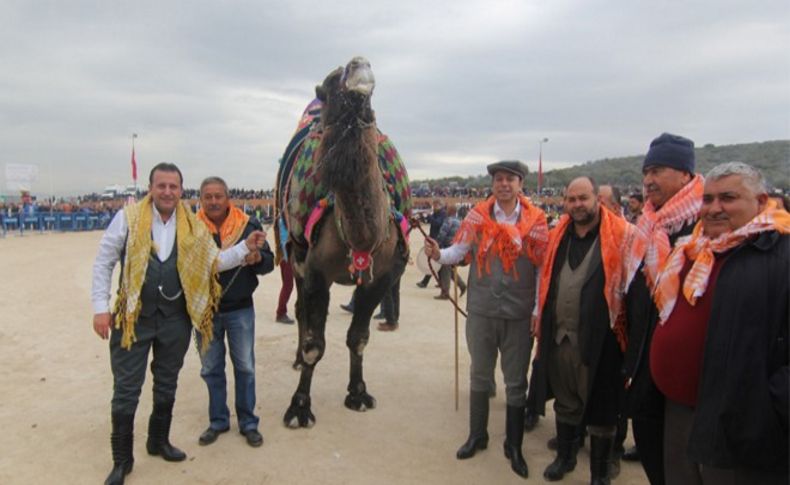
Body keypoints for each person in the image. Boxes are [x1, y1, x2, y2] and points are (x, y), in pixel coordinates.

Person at [91, 163, 266, 485]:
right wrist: (101, 308)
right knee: (127, 389)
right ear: (151, 188)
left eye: (173, 187)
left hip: (175, 319)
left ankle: (158, 441)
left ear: (181, 191)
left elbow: (215, 261)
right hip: (134, 318)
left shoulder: (191, 226)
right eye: (162, 186)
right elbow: (104, 262)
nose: (168, 192)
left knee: (167, 381)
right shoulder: (128, 219)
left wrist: (245, 248)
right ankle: (122, 460)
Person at [650, 162, 788, 484]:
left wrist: (768, 408)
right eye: (707, 199)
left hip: (741, 424)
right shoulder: (690, 250)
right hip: (679, 410)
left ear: (761, 200)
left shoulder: (780, 255)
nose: (713, 209)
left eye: (727, 198)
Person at [424, 161, 548, 479]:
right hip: (481, 310)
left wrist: (537, 310)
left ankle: (515, 445)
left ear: (521, 184)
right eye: (498, 179)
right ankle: (478, 435)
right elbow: (459, 251)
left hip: (518, 314)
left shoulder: (536, 221)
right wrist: (439, 254)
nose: (503, 184)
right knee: (479, 375)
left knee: (516, 382)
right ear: (492, 184)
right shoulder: (476, 216)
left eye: (510, 179)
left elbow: (540, 270)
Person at [531, 176, 640, 484]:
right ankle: (564, 458)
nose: (577, 205)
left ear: (596, 199)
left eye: (583, 198)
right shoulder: (557, 237)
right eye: (572, 199)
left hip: (602, 341)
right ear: (565, 202)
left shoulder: (622, 236)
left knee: (602, 412)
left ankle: (599, 473)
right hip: (559, 337)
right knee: (565, 403)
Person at [623, 132, 704, 485]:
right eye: (646, 172)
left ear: (685, 175)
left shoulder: (706, 228)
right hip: (644, 367)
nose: (648, 180)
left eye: (658, 170)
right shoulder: (646, 226)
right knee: (653, 454)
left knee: (684, 467)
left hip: (690, 378)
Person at [195, 177, 275, 448]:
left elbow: (269, 263)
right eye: (208, 197)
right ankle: (218, 421)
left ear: (228, 197)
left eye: (219, 196)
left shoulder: (248, 225)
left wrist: (257, 259)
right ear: (201, 200)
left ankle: (248, 423)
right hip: (205, 312)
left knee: (245, 368)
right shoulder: (192, 229)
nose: (214, 201)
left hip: (240, 309)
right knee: (211, 369)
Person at [434, 204, 466, 299]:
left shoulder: (448, 221)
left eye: (447, 209)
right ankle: (461, 284)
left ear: (450, 211)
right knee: (450, 271)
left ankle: (445, 293)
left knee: (445, 271)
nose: (446, 211)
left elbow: (442, 234)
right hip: (456, 248)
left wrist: (436, 244)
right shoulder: (459, 221)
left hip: (447, 249)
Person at [417, 199, 446, 288]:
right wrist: (422, 217)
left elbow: (437, 223)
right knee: (437, 262)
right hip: (434, 239)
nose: (433, 207)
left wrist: (429, 216)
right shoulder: (437, 213)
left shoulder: (442, 213)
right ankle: (441, 282)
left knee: (433, 261)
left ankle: (425, 282)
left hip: (438, 240)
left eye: (435, 205)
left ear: (439, 205)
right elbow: (429, 221)